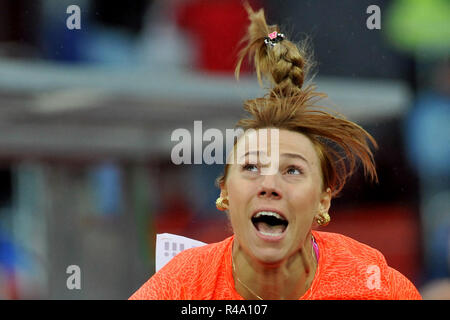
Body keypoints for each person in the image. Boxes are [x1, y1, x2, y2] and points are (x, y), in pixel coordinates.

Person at [129, 4, 422, 300]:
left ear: (323, 200)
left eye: (292, 170)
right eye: (251, 168)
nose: (269, 186)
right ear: (225, 195)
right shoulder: (182, 286)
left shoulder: (373, 284)